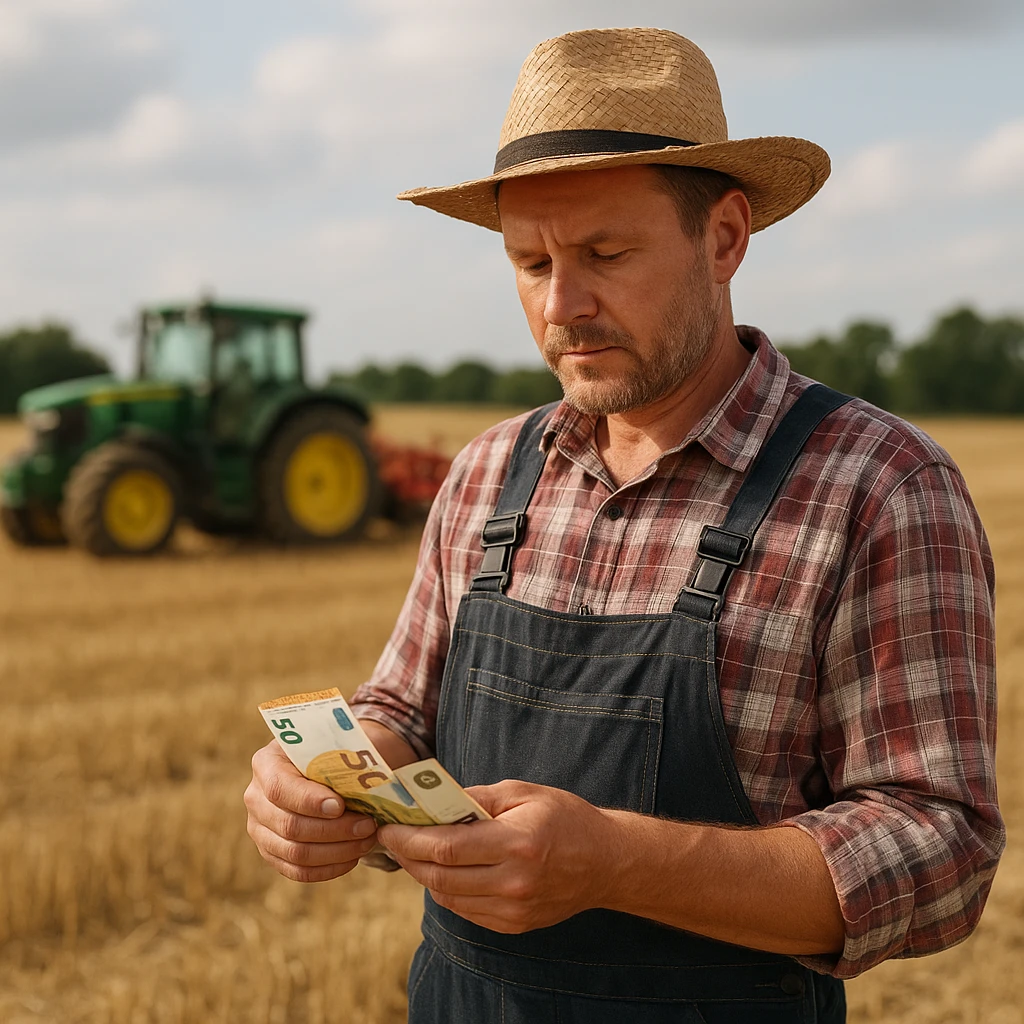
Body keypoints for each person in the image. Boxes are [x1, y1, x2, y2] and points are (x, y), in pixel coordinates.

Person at [244, 27, 1004, 1023]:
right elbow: (402, 707)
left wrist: (612, 861)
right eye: (529, 261)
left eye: (606, 253)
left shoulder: (878, 487)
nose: (562, 304)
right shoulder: (484, 475)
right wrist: (333, 776)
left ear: (725, 236)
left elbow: (938, 851)